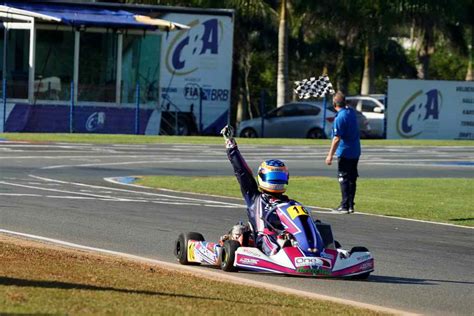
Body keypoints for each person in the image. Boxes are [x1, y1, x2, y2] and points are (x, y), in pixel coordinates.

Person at [220, 125, 294, 256]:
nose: (276, 181)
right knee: (266, 236)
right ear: (262, 177)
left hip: (286, 237)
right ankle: (277, 252)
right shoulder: (255, 198)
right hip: (263, 239)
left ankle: (317, 249)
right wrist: (230, 144)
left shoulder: (290, 203)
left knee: (316, 226)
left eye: (280, 177)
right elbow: (241, 171)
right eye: (273, 177)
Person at [325, 91, 361, 214]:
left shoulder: (340, 117)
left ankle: (344, 205)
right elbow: (346, 103)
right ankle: (350, 204)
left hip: (345, 151)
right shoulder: (351, 112)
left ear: (335, 104)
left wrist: (330, 155)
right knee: (352, 177)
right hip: (355, 150)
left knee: (343, 177)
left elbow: (336, 138)